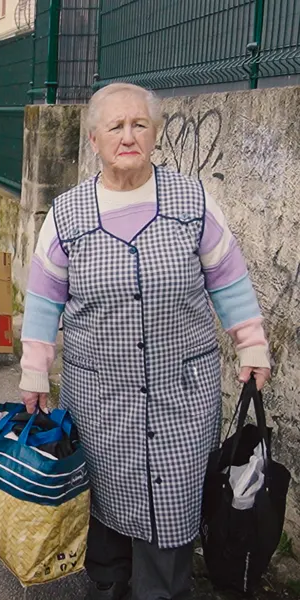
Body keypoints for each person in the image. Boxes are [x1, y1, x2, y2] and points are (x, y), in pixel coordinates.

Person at [19, 83, 271, 600]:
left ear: (156, 134)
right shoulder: (66, 214)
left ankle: (163, 590)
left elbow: (228, 278)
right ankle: (109, 584)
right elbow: (44, 301)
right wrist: (33, 372)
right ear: (94, 139)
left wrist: (251, 343)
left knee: (173, 498)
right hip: (100, 393)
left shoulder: (192, 201)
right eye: (116, 126)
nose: (128, 136)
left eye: (140, 125)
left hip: (183, 391)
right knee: (105, 496)